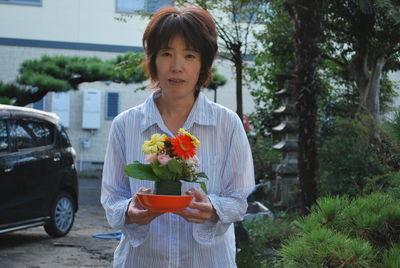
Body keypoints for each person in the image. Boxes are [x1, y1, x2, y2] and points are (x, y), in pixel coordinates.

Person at [101, 6, 255, 268]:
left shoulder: (227, 124)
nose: (177, 66)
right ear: (152, 60)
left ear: (204, 63)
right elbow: (111, 197)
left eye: (190, 55)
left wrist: (213, 208)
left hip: (208, 261)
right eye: (166, 54)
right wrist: (129, 211)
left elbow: (239, 199)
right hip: (141, 260)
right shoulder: (125, 125)